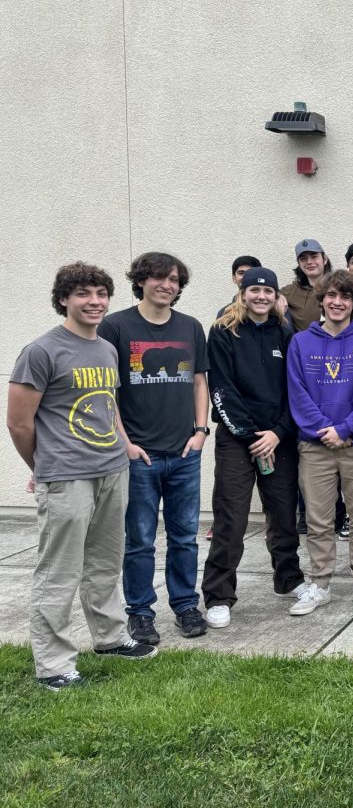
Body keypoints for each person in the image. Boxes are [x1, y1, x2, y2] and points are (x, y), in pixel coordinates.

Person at [9, 262, 157, 690]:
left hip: (112, 469)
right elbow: (19, 423)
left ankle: (110, 638)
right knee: (59, 571)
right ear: (63, 300)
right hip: (67, 476)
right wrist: (42, 467)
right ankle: (54, 665)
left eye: (100, 294)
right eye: (83, 295)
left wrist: (125, 445)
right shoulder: (41, 351)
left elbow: (107, 406)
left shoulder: (106, 349)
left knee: (105, 563)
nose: (94, 302)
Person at [98, 252, 210, 644]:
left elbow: (199, 382)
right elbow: (106, 392)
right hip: (139, 455)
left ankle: (184, 605)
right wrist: (125, 444)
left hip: (184, 453)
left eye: (175, 280)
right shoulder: (115, 327)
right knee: (140, 539)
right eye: (159, 277)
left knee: (184, 536)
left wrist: (200, 432)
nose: (167, 285)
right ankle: (141, 612)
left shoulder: (191, 327)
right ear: (141, 280)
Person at [202, 267, 306, 629]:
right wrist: (251, 437)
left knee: (283, 514)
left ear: (276, 296)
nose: (261, 297)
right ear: (242, 292)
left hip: (278, 439)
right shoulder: (222, 332)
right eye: (254, 290)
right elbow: (222, 390)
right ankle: (218, 595)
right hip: (237, 440)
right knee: (231, 517)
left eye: (268, 291)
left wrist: (277, 433)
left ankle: (289, 579)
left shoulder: (286, 332)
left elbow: (294, 389)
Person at [287, 270, 353, 616]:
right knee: (318, 518)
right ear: (322, 299)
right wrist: (326, 429)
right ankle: (320, 584)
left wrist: (347, 429)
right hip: (315, 446)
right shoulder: (301, 343)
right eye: (332, 296)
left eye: (345, 298)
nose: (337, 303)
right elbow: (297, 392)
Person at [282, 239, 331, 331]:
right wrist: (278, 298)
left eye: (314, 256)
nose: (309, 262)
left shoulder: (337, 288)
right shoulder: (289, 292)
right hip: (301, 344)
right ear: (299, 264)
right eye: (303, 258)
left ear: (324, 260)